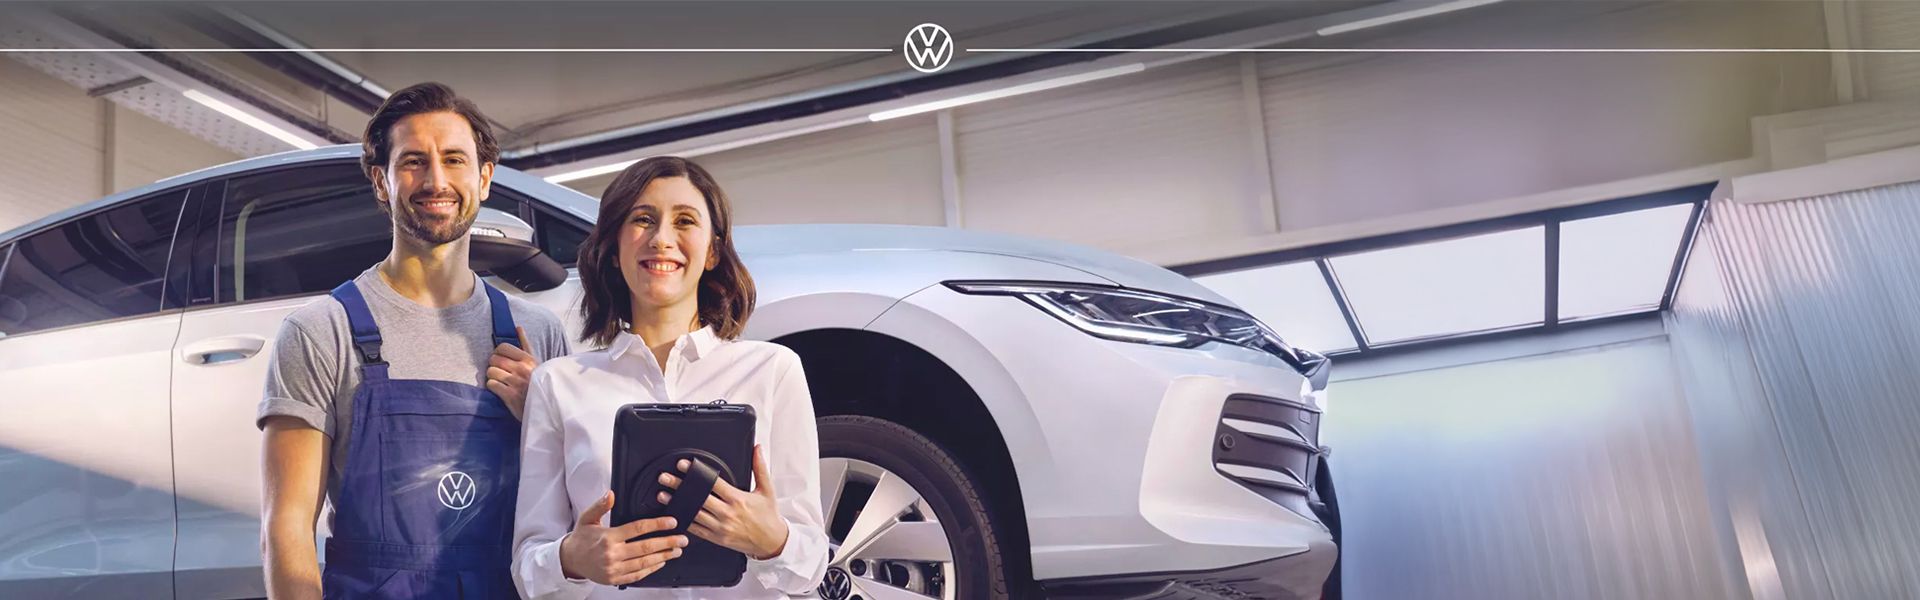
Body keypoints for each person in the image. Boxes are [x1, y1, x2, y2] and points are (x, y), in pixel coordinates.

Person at [258, 82, 570, 599]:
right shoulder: (321, 332)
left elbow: (572, 511)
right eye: (413, 162)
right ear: (381, 182)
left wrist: (548, 411)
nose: (436, 180)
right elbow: (286, 528)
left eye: (453, 159)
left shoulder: (537, 334)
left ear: (484, 178)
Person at [512, 156, 828, 599]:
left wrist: (774, 541)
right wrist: (571, 559)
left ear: (713, 250)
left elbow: (811, 565)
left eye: (684, 221)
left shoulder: (774, 370)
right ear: (615, 246)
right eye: (643, 219)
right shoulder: (558, 384)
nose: (661, 239)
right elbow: (527, 567)